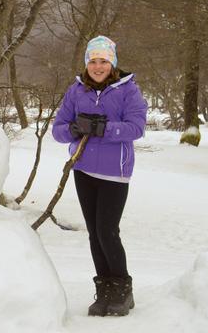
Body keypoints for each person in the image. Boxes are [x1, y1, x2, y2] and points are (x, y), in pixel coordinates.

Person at [51, 35, 147, 317]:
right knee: (94, 233)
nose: (97, 66)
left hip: (114, 172)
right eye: (93, 61)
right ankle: (105, 288)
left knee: (107, 230)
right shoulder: (76, 91)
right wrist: (76, 129)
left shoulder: (128, 91)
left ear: (112, 63)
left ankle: (122, 289)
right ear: (87, 63)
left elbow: (136, 128)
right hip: (83, 169)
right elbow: (58, 129)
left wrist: (104, 129)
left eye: (103, 61)